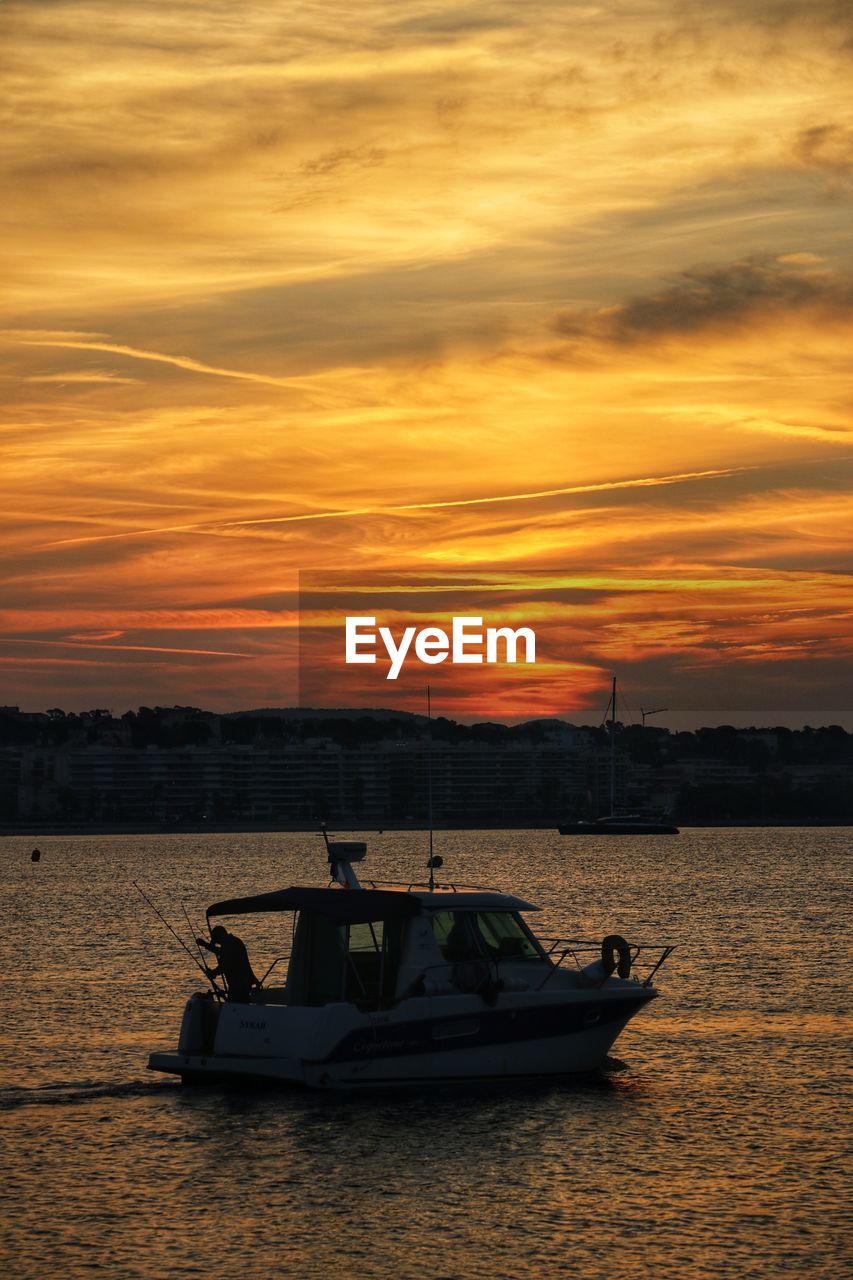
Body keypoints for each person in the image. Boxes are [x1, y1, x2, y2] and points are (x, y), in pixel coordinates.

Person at [196, 925, 258, 1002]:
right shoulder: (234, 941)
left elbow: (225, 965)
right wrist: (206, 945)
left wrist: (213, 973)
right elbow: (221, 952)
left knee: (237, 1006)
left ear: (220, 936)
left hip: (238, 985)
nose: (216, 942)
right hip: (245, 983)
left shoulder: (229, 945)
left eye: (216, 940)